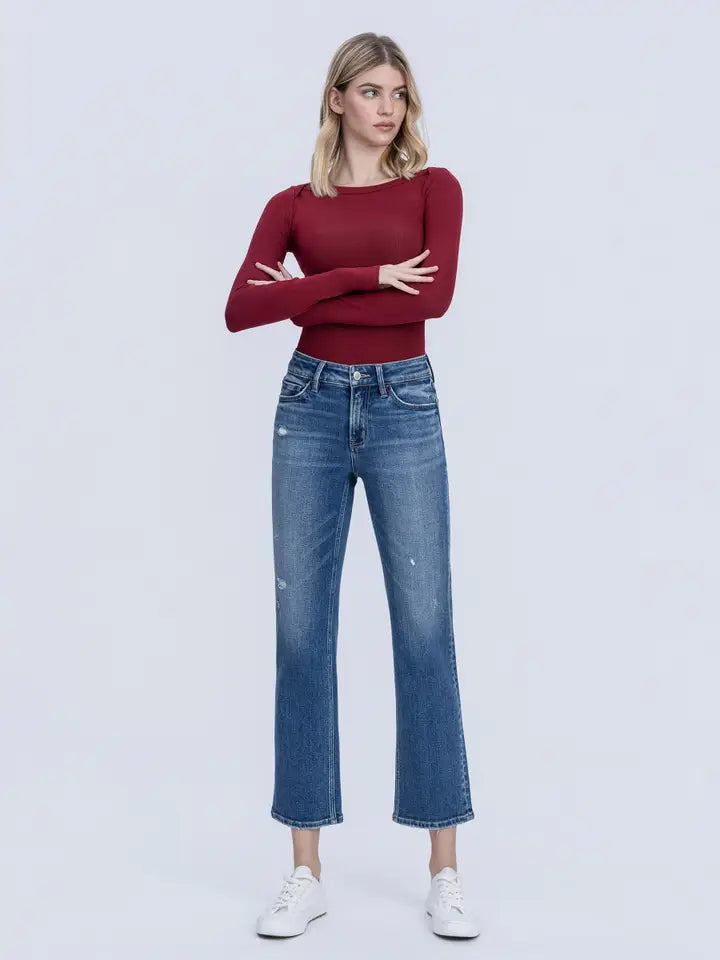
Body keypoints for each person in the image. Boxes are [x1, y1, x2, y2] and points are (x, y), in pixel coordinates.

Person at [225, 31, 480, 940]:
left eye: (398, 93)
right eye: (370, 91)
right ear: (336, 98)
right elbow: (240, 309)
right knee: (303, 634)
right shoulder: (292, 204)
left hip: (405, 402)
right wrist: (365, 276)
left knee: (425, 630)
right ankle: (305, 871)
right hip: (310, 406)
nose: (387, 108)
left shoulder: (435, 189)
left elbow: (432, 299)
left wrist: (306, 290)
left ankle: (444, 871)